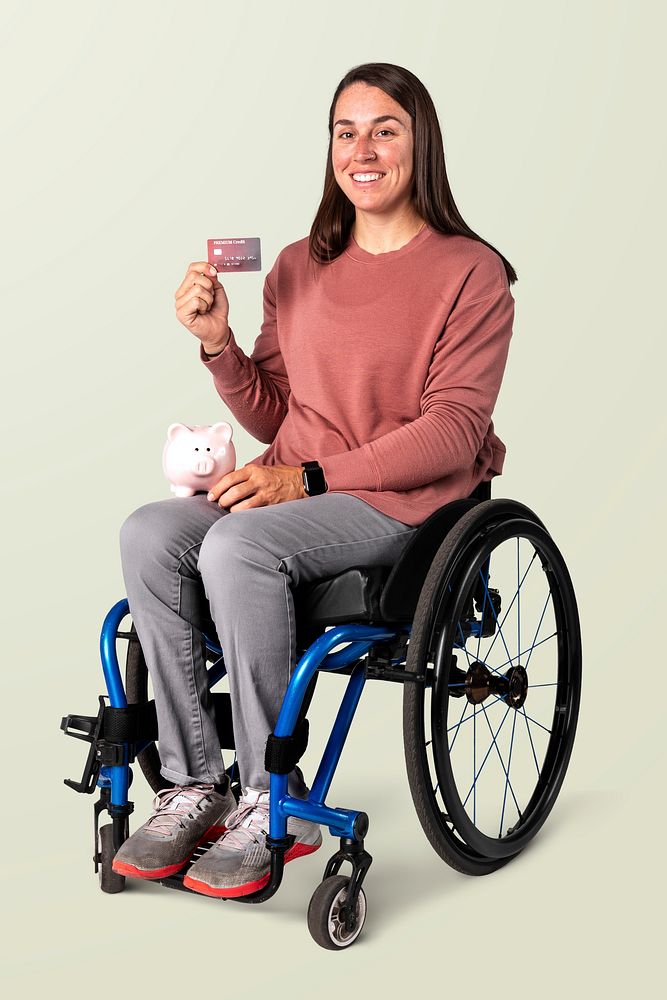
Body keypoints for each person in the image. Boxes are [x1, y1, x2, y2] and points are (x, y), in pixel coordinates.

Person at [112, 61, 517, 898]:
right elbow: (277, 413)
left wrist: (308, 479)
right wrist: (219, 345)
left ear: (420, 144)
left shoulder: (469, 273)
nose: (361, 150)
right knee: (149, 533)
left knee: (237, 549)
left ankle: (270, 799)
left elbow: (452, 431)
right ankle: (194, 783)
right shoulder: (300, 263)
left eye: (384, 130)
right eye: (345, 131)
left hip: (396, 502)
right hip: (296, 484)